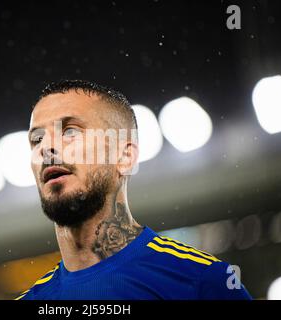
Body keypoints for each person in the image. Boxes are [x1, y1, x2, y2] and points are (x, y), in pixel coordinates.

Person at [16, 79, 251, 300]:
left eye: (70, 131)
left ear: (124, 157)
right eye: (37, 139)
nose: (46, 148)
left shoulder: (201, 282)